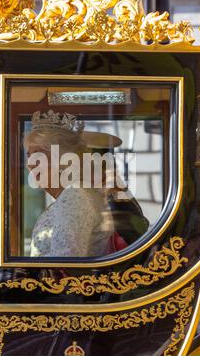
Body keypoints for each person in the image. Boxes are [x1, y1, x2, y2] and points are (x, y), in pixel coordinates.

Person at [24, 109, 148, 258]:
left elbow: (65, 262)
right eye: (28, 155)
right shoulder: (71, 195)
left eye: (39, 154)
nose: (30, 164)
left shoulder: (75, 195)